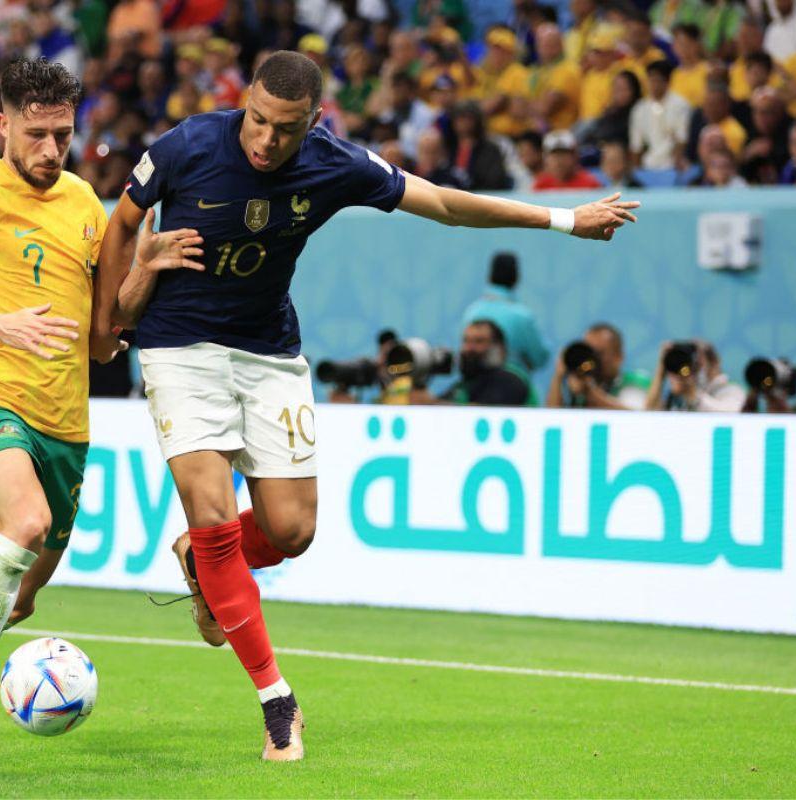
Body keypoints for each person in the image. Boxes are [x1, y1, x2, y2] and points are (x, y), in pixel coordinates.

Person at [96, 50, 638, 762]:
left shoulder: (336, 164)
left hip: (268, 352)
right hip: (180, 345)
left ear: (313, 122)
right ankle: (276, 702)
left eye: (284, 129)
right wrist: (107, 327)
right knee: (214, 515)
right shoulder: (187, 144)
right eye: (256, 120)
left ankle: (202, 563)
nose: (264, 140)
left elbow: (443, 204)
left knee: (292, 532)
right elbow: (119, 223)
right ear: (245, 105)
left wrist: (565, 220)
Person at [0, 58, 181, 756]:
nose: (50, 150)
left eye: (63, 136)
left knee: (17, 597)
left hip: (66, 425)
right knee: (26, 519)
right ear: (4, 124)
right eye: (37, 134)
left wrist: (146, 269)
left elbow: (104, 345)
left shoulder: (84, 204)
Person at [459, 252, 549, 373]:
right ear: (516, 277)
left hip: (475, 386)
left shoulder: (471, 312)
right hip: (515, 387)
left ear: (489, 276)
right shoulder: (522, 316)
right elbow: (540, 358)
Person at [547, 322, 650, 409]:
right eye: (588, 352)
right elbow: (551, 418)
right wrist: (559, 376)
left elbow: (636, 417)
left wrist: (589, 392)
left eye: (599, 354)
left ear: (619, 356)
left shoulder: (636, 381)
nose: (592, 359)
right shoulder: (580, 381)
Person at [439, 320, 534, 406]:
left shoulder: (510, 380)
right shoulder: (464, 385)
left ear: (498, 349)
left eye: (479, 341)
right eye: (466, 341)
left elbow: (478, 414)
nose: (469, 348)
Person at [645, 340, 746, 411]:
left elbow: (730, 417)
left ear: (714, 363)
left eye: (698, 364)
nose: (692, 370)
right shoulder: (678, 397)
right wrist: (661, 371)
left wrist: (692, 394)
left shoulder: (732, 391)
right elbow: (650, 415)